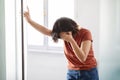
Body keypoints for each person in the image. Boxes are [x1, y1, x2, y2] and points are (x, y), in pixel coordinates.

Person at [24, 7, 99, 80]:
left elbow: (82, 58)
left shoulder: (85, 33)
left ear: (68, 31)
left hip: (88, 71)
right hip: (71, 71)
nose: (61, 37)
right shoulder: (63, 34)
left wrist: (71, 41)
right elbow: (46, 31)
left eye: (61, 35)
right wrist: (29, 21)